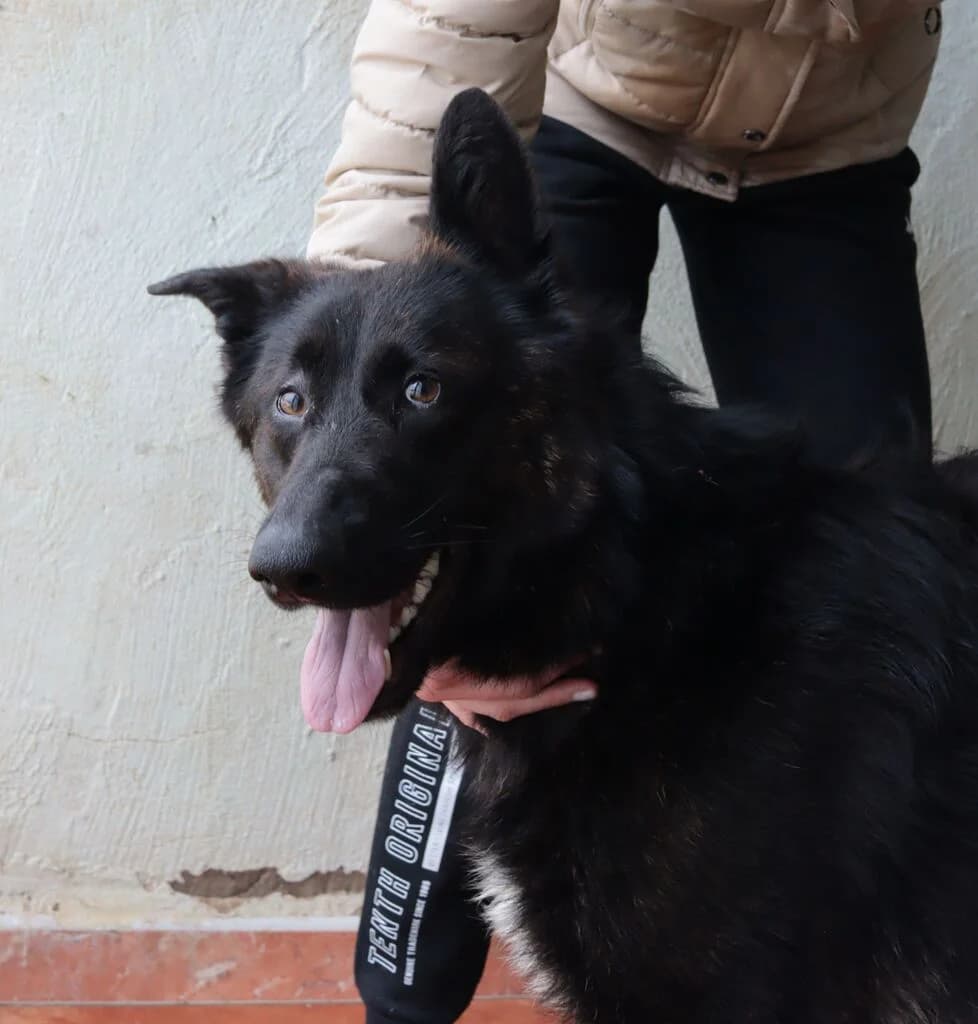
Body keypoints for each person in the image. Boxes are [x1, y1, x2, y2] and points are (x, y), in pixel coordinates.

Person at [306, 2, 942, 1020]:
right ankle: (404, 1002)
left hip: (828, 132)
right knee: (448, 558)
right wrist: (359, 371)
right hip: (592, 102)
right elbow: (449, 27)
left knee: (892, 584)